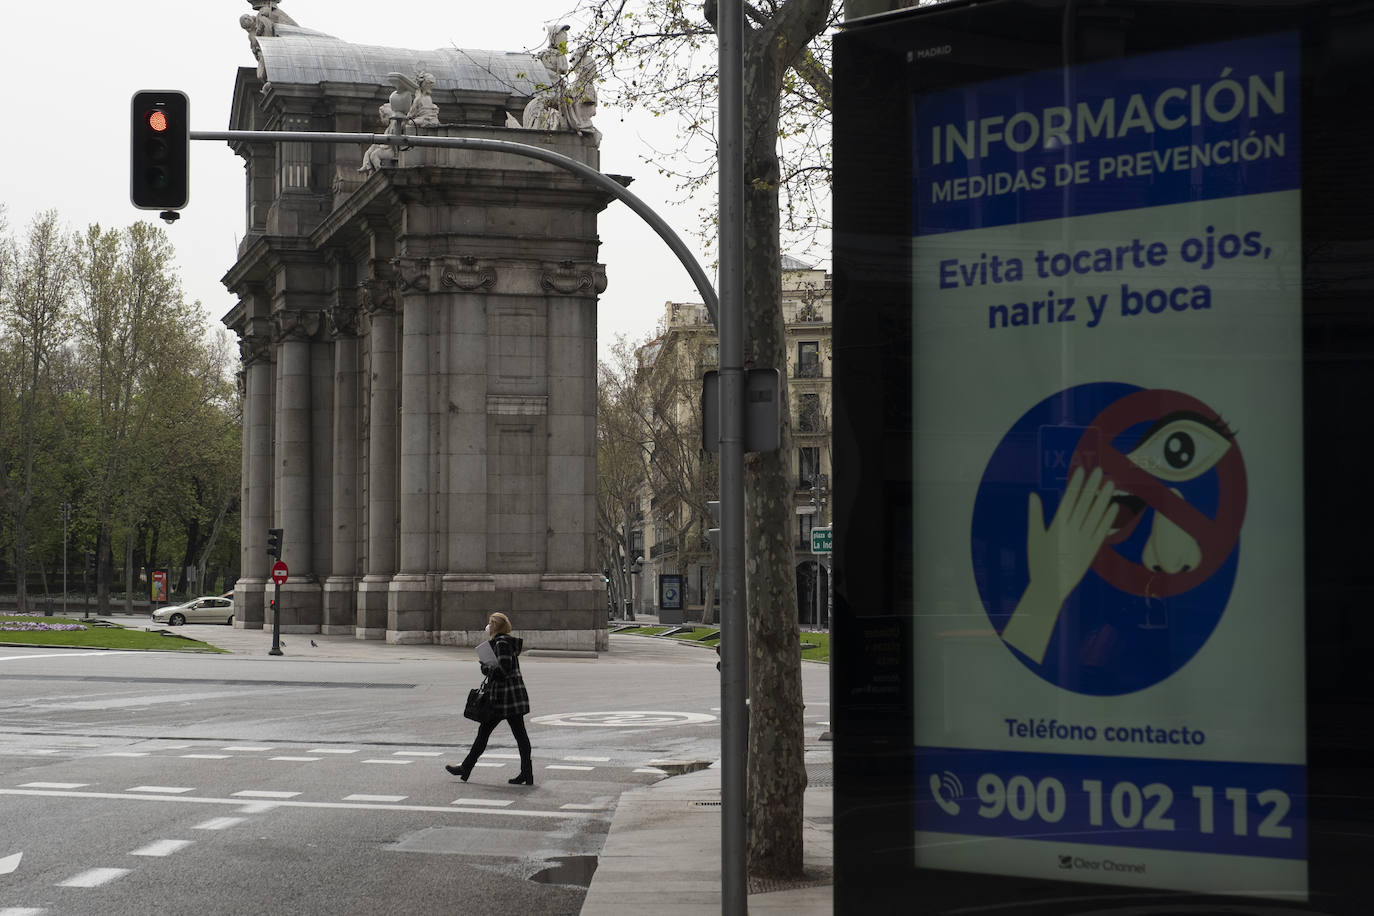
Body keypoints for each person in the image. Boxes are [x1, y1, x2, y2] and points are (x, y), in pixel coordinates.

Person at [446, 612, 534, 785]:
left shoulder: (501, 644)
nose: (488, 626)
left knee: (487, 733)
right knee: (518, 736)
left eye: (490, 623)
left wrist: (486, 667)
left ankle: (466, 768)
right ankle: (526, 773)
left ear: (495, 626)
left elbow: (502, 672)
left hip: (505, 699)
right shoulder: (505, 642)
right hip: (511, 697)